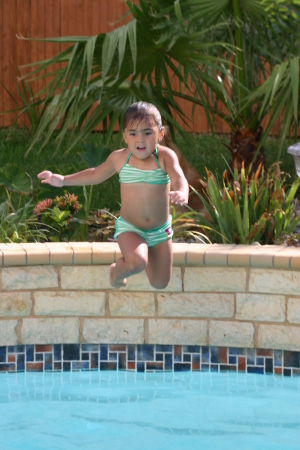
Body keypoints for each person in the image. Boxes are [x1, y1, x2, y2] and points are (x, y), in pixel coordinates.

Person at [38, 102, 189, 289]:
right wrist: (62, 180)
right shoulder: (120, 159)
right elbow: (95, 174)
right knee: (137, 262)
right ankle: (116, 273)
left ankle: (146, 258)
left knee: (160, 283)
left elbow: (179, 177)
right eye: (133, 134)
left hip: (159, 231)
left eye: (147, 133)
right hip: (131, 229)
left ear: (161, 133)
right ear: (125, 136)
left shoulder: (165, 156)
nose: (140, 139)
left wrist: (182, 192)